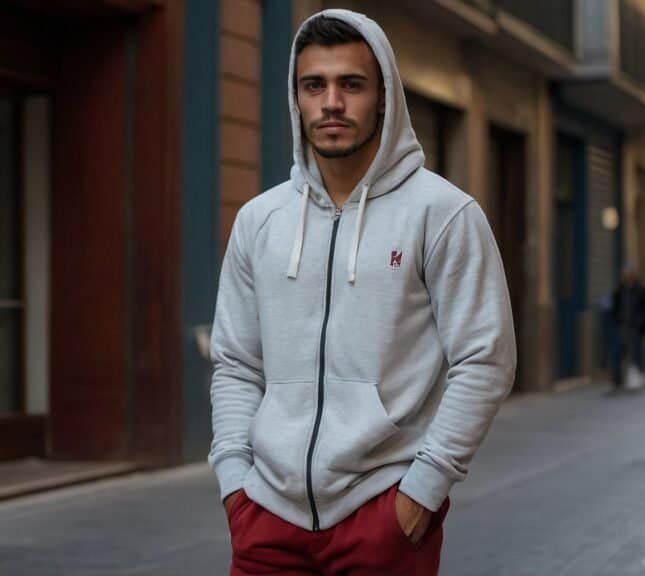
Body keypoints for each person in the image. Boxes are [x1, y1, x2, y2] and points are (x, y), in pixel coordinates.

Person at [208, 10, 516, 576]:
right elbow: (235, 363)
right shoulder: (261, 221)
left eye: (351, 84)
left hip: (382, 516)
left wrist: (422, 491)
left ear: (384, 97)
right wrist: (234, 481)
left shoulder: (442, 214)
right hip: (266, 518)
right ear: (296, 98)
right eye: (313, 85)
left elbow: (485, 359)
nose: (330, 102)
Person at [609, 265, 645, 391]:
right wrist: (615, 321)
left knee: (636, 353)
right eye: (624, 274)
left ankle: (638, 376)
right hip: (622, 326)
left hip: (636, 327)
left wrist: (643, 323)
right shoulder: (619, 290)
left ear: (634, 275)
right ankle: (617, 381)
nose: (626, 277)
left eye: (628, 274)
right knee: (617, 353)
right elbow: (614, 307)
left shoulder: (642, 290)